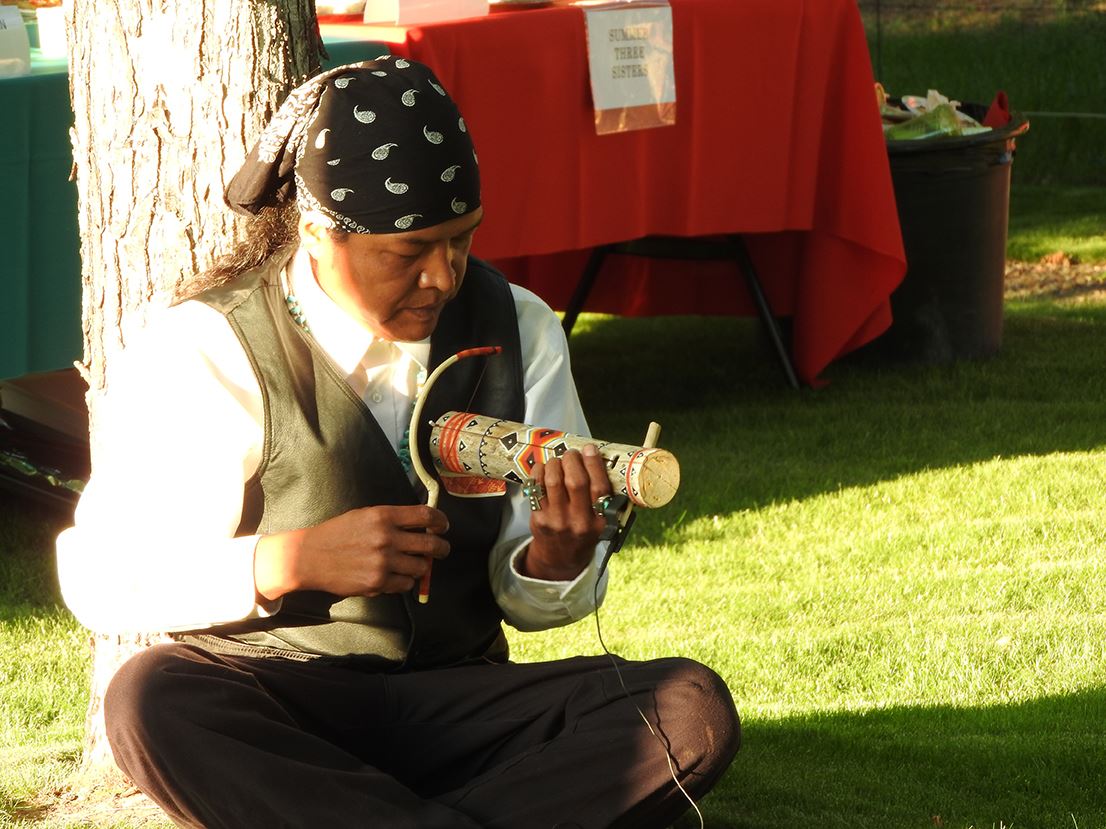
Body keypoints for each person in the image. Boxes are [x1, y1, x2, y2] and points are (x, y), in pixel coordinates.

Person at [56, 57, 740, 829]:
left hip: (458, 701)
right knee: (151, 697)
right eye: (408, 252)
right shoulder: (212, 345)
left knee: (689, 708)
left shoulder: (519, 325)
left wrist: (556, 557)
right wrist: (290, 560)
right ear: (318, 235)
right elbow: (102, 576)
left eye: (461, 241)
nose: (443, 277)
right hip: (283, 700)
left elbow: (532, 601)